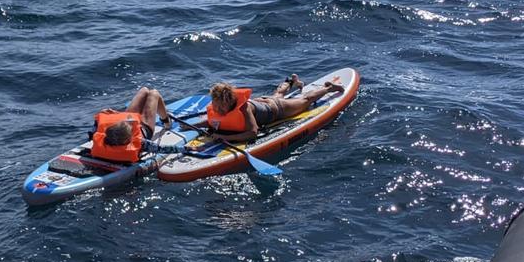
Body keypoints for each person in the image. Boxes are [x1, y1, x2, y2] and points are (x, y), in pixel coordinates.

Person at [200, 74, 345, 143]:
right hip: (264, 101)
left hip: (278, 109)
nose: (216, 109)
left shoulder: (244, 109)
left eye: (219, 106)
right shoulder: (222, 108)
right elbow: (214, 121)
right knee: (278, 94)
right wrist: (187, 126)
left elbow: (252, 133)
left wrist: (224, 137)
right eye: (214, 105)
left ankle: (328, 88)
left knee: (305, 100)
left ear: (229, 102)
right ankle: (291, 81)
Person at [89, 87, 176, 163]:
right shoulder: (141, 143)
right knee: (154, 93)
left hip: (120, 133)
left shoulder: (98, 138)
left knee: (144, 90)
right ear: (129, 138)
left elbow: (95, 126)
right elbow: (164, 149)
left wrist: (108, 113)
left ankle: (164, 119)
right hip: (145, 128)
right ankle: (167, 122)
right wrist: (187, 149)